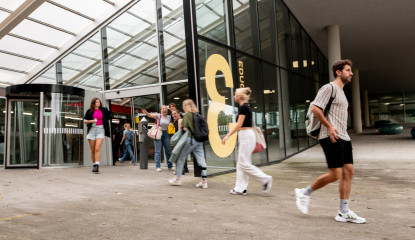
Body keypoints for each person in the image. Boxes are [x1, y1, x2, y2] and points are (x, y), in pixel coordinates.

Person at [295, 59, 366, 224]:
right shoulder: (329, 88)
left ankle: (343, 211)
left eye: (351, 70)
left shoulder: (342, 92)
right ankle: (304, 193)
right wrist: (329, 127)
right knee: (336, 174)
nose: (351, 73)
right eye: (348, 70)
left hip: (344, 137)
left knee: (348, 172)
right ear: (338, 72)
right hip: (330, 136)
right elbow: (316, 108)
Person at [221, 87, 273, 195]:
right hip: (246, 135)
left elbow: (239, 124)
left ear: (239, 96)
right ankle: (240, 188)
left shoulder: (243, 108)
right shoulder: (245, 107)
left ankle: (265, 179)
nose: (234, 96)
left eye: (235, 94)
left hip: (246, 136)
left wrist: (227, 136)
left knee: (243, 163)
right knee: (241, 164)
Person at [169, 99, 208, 188]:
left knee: (181, 158)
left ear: (187, 106)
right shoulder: (197, 115)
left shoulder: (187, 115)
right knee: (201, 160)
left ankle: (177, 179)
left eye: (183, 105)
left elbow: (184, 128)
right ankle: (204, 181)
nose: (182, 107)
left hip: (190, 140)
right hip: (199, 140)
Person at [84, 97, 112, 173]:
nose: (98, 103)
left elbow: (110, 115)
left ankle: (97, 165)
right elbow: (85, 121)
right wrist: (91, 121)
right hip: (92, 130)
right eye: (97, 102)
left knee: (97, 148)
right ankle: (94, 164)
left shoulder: (104, 109)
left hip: (101, 130)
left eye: (99, 102)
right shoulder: (89, 111)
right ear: (93, 103)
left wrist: (105, 120)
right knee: (92, 150)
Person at [143, 106, 173, 171]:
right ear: (161, 110)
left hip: (165, 134)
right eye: (163, 109)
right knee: (158, 151)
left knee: (168, 150)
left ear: (167, 110)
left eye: (166, 109)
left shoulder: (169, 117)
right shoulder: (158, 116)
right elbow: (150, 115)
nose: (164, 110)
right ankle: (158, 166)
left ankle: (170, 165)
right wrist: (146, 112)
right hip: (158, 133)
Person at [171, 109, 189, 175]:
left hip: (181, 140)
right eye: (172, 114)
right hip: (183, 140)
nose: (173, 115)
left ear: (179, 114)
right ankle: (185, 169)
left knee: (177, 154)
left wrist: (178, 142)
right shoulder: (178, 120)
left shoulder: (180, 120)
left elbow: (180, 132)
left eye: (175, 113)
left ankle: (180, 170)